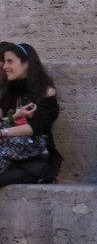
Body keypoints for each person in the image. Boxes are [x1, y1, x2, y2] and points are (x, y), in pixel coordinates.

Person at [0, 42, 62, 187]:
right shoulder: (8, 91)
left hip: (34, 160)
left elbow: (36, 127)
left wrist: (2, 132)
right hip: (7, 156)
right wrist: (13, 117)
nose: (4, 67)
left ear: (26, 64)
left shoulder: (45, 92)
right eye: (4, 62)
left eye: (10, 61)